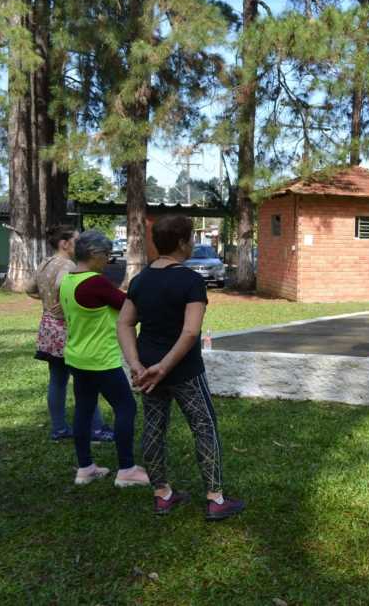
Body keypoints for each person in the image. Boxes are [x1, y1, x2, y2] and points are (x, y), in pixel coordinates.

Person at [117, 215, 245, 520]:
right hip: (184, 370)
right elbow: (190, 333)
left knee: (153, 427)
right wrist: (164, 367)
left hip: (148, 369)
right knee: (204, 427)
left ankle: (162, 495)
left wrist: (137, 365)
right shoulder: (191, 281)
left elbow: (124, 323)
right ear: (181, 243)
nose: (192, 244)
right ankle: (215, 499)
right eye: (191, 239)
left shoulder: (140, 280)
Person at [59, 230, 149, 488]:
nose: (109, 260)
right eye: (107, 255)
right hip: (101, 359)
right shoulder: (95, 283)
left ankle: (85, 468)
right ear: (94, 254)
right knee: (126, 407)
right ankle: (127, 470)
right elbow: (128, 306)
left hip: (77, 357)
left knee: (84, 410)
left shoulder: (68, 280)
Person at [27, 224, 112, 442]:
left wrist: (48, 303)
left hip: (48, 328)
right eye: (76, 240)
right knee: (86, 380)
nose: (80, 244)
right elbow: (63, 284)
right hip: (66, 329)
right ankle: (96, 429)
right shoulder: (67, 264)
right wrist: (64, 303)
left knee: (57, 381)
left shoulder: (45, 262)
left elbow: (29, 288)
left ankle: (59, 429)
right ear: (64, 244)